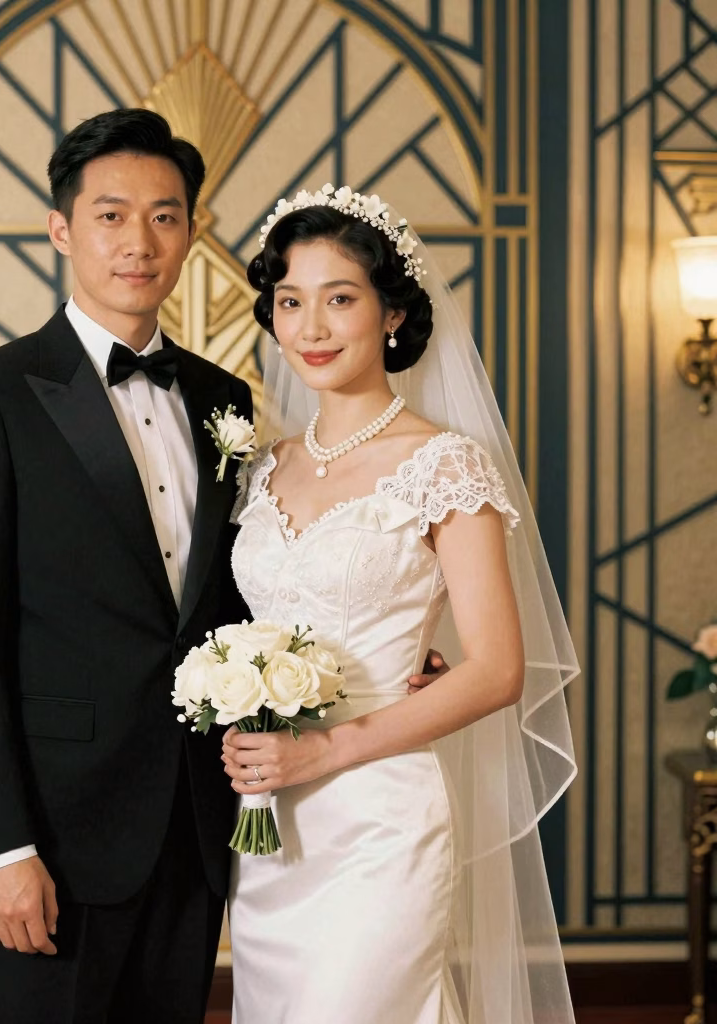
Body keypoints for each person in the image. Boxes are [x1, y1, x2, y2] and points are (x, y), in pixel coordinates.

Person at [0, 108, 255, 1024]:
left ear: (191, 232)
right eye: (111, 214)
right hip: (51, 841)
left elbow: (251, 591)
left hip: (194, 823)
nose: (138, 241)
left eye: (165, 215)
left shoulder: (228, 401)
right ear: (62, 228)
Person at [222, 186, 579, 1024]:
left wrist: (327, 752)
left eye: (340, 299)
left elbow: (496, 669)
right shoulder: (261, 467)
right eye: (290, 301)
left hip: (380, 820)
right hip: (270, 822)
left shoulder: (445, 464)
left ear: (391, 314)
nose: (310, 327)